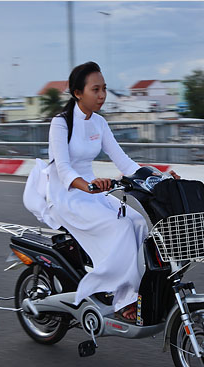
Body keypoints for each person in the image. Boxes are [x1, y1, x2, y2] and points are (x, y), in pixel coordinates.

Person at [45, 61, 150, 322]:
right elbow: (63, 169)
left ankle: (135, 290)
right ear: (78, 93)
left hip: (93, 190)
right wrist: (88, 186)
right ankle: (121, 298)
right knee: (121, 228)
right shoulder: (61, 124)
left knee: (137, 222)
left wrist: (159, 176)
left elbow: (125, 163)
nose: (102, 95)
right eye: (96, 90)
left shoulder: (100, 123)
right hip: (67, 193)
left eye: (104, 89)